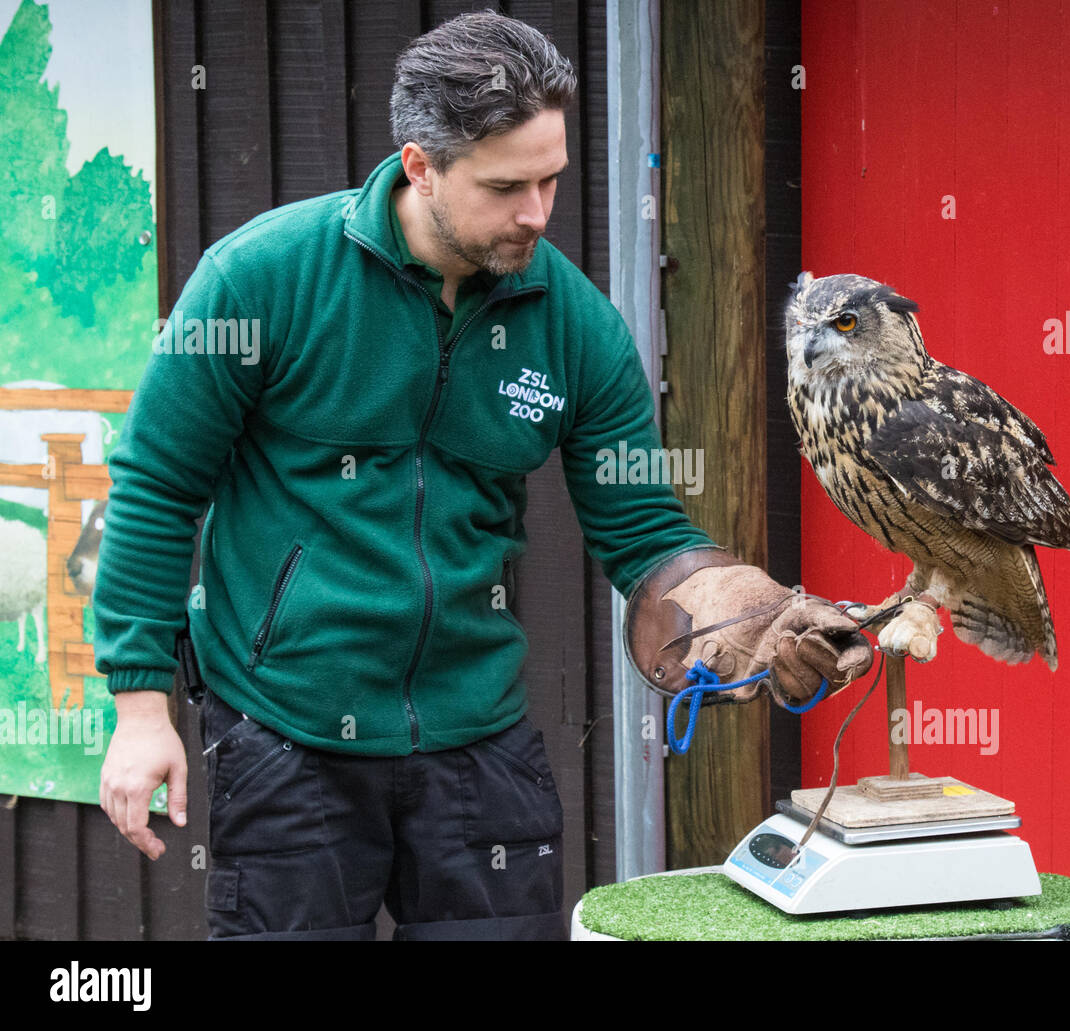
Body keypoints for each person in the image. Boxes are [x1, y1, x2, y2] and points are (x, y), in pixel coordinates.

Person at [94, 11, 916, 941]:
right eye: (506, 187)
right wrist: (138, 705)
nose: (537, 211)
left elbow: (643, 529)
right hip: (289, 739)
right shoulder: (262, 280)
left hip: (478, 744)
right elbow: (157, 484)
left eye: (552, 177)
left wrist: (746, 611)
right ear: (420, 166)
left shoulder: (573, 323)